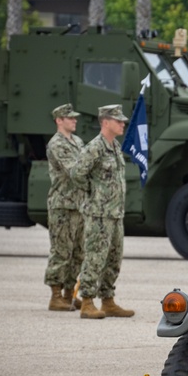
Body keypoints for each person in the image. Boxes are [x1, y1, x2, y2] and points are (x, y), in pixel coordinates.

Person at [71, 104, 135, 319]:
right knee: (95, 257)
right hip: (99, 214)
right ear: (106, 122)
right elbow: (77, 174)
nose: (122, 123)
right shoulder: (95, 147)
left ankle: (107, 300)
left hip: (115, 213)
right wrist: (93, 192)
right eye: (118, 120)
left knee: (114, 258)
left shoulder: (115, 146)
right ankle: (87, 302)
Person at [43, 103, 86, 311]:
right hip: (62, 205)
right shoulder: (57, 144)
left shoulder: (77, 141)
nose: (74, 120)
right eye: (69, 118)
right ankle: (55, 296)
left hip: (78, 205)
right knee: (61, 251)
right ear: (59, 120)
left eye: (74, 117)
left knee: (78, 252)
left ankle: (69, 294)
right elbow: (75, 170)